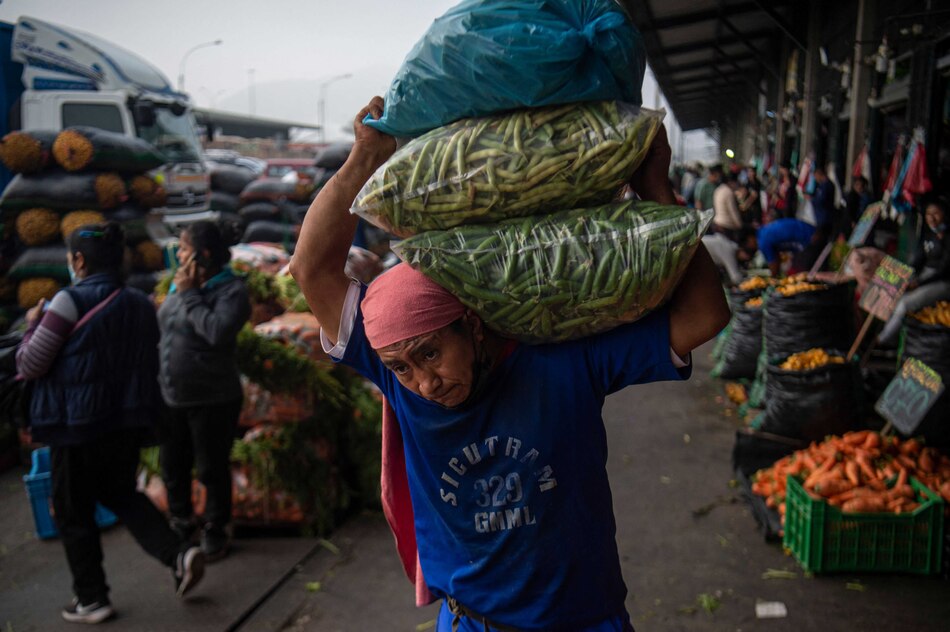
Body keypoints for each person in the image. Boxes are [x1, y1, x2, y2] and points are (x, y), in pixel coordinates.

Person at [290, 97, 730, 631]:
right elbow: (310, 269)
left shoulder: (564, 359)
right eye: (402, 368)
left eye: (430, 354)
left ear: (473, 324)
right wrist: (365, 157)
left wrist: (656, 189)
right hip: (469, 623)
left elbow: (706, 314)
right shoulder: (393, 371)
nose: (423, 383)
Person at [16, 223, 205, 624]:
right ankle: (178, 553)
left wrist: (35, 323)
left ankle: (92, 598)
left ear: (79, 261)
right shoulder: (138, 302)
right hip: (125, 421)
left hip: (77, 423)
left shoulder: (68, 302)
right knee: (121, 493)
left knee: (73, 510)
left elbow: (31, 363)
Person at [157, 221, 250, 561]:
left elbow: (216, 331)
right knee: (173, 464)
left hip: (213, 398)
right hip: (171, 395)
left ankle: (216, 526)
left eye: (183, 248)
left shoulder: (232, 291)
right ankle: (181, 521)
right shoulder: (179, 285)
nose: (178, 254)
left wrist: (190, 295)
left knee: (211, 467)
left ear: (204, 253)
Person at [878, 200, 950, 345]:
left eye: (936, 213)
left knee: (905, 304)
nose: (931, 217)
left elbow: (944, 269)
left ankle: (881, 340)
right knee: (890, 293)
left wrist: (919, 283)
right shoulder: (929, 234)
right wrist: (902, 276)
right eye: (929, 214)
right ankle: (886, 335)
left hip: (942, 282)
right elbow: (918, 260)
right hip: (924, 276)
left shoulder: (947, 237)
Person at [751, 218, 820, 277]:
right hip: (811, 234)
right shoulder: (763, 231)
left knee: (798, 274)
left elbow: (774, 267)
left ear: (749, 239)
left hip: (811, 239)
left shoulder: (762, 241)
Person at [712, 172, 743, 240]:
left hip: (717, 222)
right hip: (726, 225)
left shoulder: (718, 189)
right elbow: (733, 211)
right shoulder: (729, 192)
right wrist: (740, 225)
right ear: (731, 182)